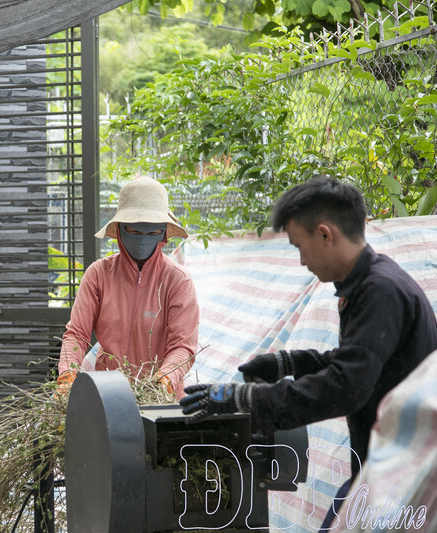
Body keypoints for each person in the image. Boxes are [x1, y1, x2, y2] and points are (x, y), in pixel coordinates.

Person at [179, 176, 437, 531]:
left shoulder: (380, 291)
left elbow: (346, 386)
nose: (301, 260)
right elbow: (358, 363)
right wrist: (287, 363)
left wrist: (247, 399)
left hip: (405, 480)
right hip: (380, 469)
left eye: (299, 246)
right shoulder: (369, 285)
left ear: (325, 234)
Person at [56, 175, 200, 398]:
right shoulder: (99, 274)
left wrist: (163, 381)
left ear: (163, 233)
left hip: (162, 397)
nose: (143, 239)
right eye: (134, 231)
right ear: (120, 230)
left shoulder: (177, 280)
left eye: (152, 233)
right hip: (108, 394)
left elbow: (183, 346)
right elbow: (77, 334)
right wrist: (67, 374)